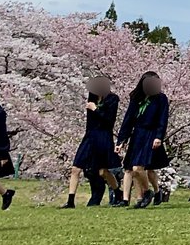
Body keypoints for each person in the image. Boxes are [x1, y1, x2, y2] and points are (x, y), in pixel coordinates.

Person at [65, 76, 122, 209]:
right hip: (90, 136)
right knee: (75, 168)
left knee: (103, 171)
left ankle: (118, 193)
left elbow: (109, 121)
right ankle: (70, 201)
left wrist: (95, 109)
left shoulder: (112, 99)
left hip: (103, 136)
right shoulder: (92, 99)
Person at [118, 71, 171, 209]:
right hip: (138, 136)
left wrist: (159, 136)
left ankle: (148, 192)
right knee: (135, 169)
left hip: (151, 134)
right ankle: (148, 193)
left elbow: (163, 119)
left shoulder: (161, 99)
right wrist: (122, 140)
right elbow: (128, 119)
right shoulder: (136, 98)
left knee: (141, 168)